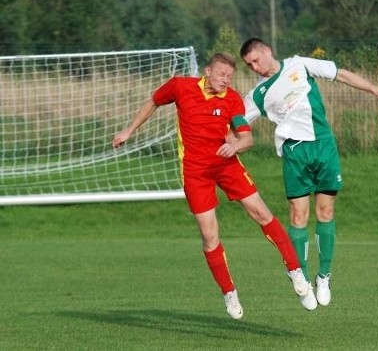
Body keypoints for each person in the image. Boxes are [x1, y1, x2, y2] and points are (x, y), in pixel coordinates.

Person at [112, 53, 309, 320]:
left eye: (229, 76)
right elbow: (153, 102)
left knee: (261, 213)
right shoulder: (180, 87)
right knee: (209, 235)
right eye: (221, 75)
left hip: (227, 166)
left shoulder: (232, 100)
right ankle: (229, 292)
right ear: (207, 71)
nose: (226, 80)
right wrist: (128, 131)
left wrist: (236, 145)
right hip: (196, 173)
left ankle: (295, 271)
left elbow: (246, 138)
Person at [239, 38, 378, 310]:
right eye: (249, 64)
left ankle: (324, 276)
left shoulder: (300, 64)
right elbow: (236, 118)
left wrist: (374, 89)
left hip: (323, 146)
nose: (255, 67)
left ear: (267, 51)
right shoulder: (257, 94)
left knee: (326, 213)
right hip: (294, 153)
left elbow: (341, 74)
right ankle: (302, 279)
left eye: (256, 60)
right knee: (298, 216)